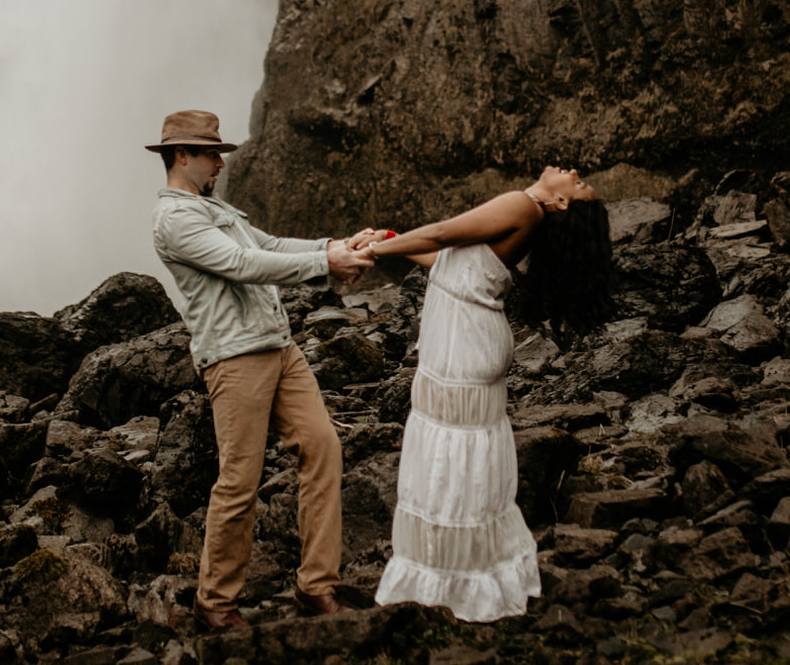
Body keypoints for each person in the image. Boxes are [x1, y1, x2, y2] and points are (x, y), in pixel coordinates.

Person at [147, 109, 375, 631]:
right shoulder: (176, 219)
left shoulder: (215, 207)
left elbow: (268, 248)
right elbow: (242, 265)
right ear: (181, 155)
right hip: (234, 357)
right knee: (240, 479)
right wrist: (327, 265)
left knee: (322, 447)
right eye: (211, 154)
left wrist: (334, 247)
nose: (220, 163)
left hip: (279, 346)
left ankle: (316, 586)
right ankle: (215, 603)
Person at [365, 167, 612, 622]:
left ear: (560, 204)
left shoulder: (522, 204)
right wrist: (391, 241)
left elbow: (441, 232)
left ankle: (450, 581)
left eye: (577, 186)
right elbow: (450, 262)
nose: (574, 173)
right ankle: (467, 575)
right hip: (471, 337)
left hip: (463, 342)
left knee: (448, 454)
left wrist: (370, 248)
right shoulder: (528, 216)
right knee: (461, 453)